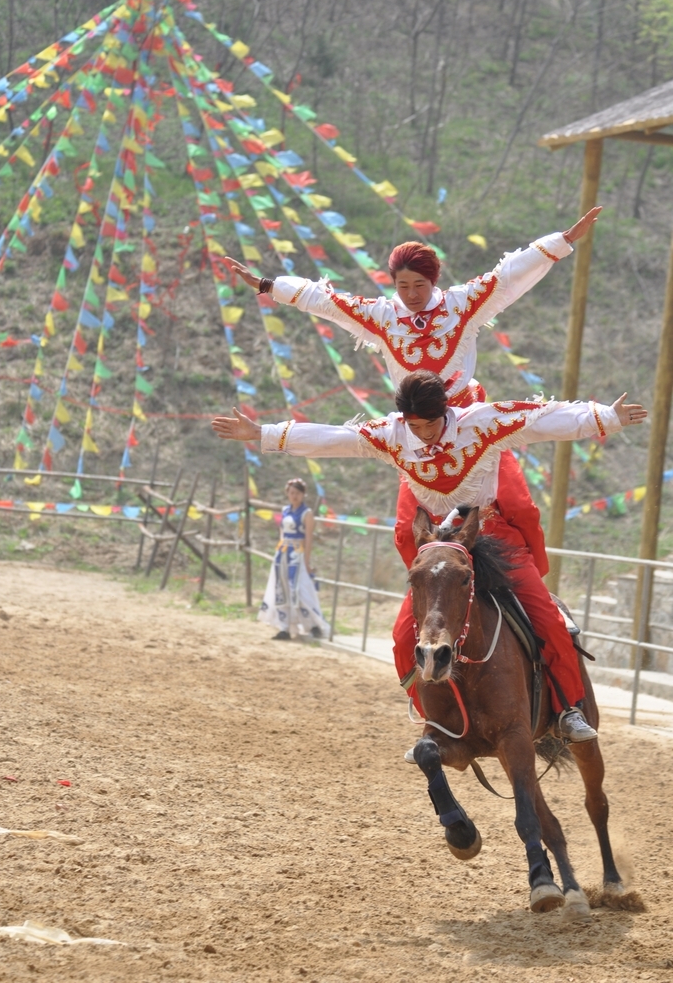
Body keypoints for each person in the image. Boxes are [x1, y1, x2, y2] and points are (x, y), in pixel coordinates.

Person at [212, 370, 647, 743]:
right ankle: (431, 714)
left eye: (431, 425)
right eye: (414, 426)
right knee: (404, 636)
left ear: (448, 413)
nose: (423, 434)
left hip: (490, 532)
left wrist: (606, 417)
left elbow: (542, 419)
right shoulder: (393, 435)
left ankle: (569, 708)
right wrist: (262, 434)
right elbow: (335, 437)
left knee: (549, 621)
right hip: (440, 544)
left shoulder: (484, 422)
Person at [222, 207, 601, 581]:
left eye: (420, 285)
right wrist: (269, 286)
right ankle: (429, 594)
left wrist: (561, 241)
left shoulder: (461, 305)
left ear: (434, 281)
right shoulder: (383, 316)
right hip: (415, 429)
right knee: (405, 531)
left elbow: (507, 278)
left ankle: (534, 587)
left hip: (469, 422)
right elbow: (329, 302)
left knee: (519, 507)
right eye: (403, 286)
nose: (412, 294)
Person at [259, 477, 330, 642]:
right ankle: (284, 627)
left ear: (303, 494)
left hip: (297, 555)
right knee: (281, 589)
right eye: (291, 493)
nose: (294, 496)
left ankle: (314, 624)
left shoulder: (307, 513)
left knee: (301, 590)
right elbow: (282, 532)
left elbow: (308, 538)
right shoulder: (285, 510)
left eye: (297, 493)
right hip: (283, 553)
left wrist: (307, 560)